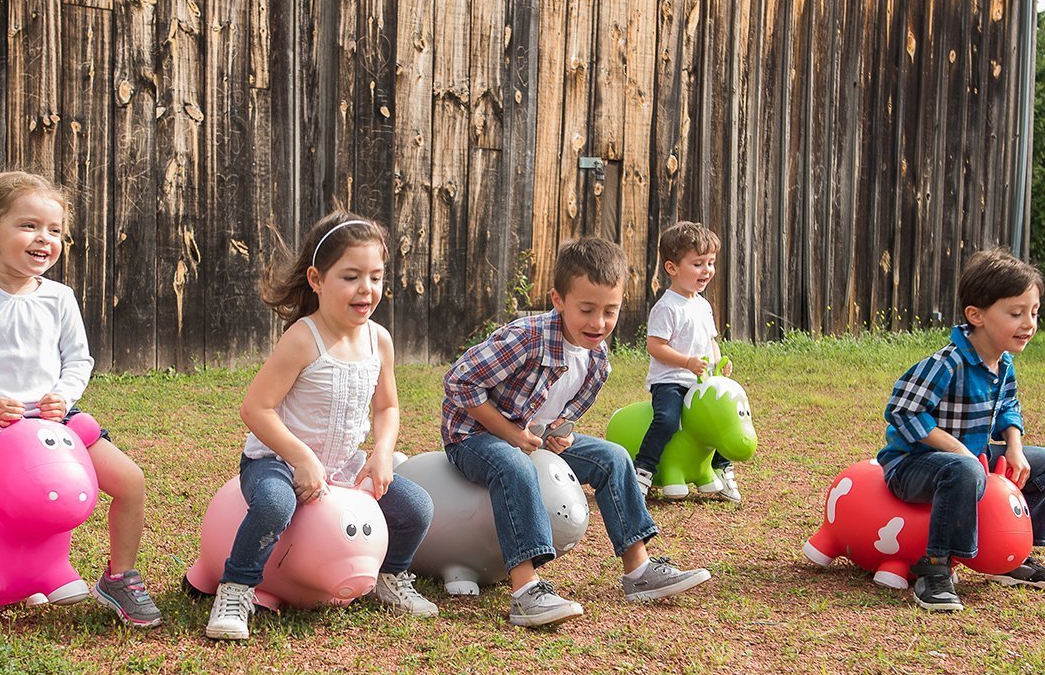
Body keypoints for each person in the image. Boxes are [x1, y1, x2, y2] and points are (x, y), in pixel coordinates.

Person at [0, 171, 160, 627]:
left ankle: (121, 577)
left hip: (55, 421)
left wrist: (62, 395)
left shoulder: (60, 298)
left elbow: (79, 359)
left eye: (55, 230)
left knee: (131, 479)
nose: (45, 238)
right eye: (30, 226)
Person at [442, 237, 711, 629]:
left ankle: (639, 570)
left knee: (614, 457)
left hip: (530, 438)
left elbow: (561, 414)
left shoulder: (598, 361)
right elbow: (458, 383)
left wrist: (557, 434)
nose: (598, 323)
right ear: (558, 299)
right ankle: (526, 591)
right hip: (473, 437)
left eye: (610, 311)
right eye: (586, 310)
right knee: (516, 467)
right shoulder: (525, 338)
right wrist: (511, 433)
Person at [204, 212, 437, 641]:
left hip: (344, 466)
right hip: (277, 460)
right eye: (351, 276)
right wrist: (300, 457)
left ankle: (391, 577)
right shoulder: (302, 339)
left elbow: (387, 407)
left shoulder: (378, 340)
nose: (365, 289)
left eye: (375, 276)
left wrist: (383, 451)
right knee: (275, 504)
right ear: (316, 279)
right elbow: (256, 408)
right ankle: (236, 588)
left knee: (416, 507)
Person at [879, 246, 1045, 611]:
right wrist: (955, 449)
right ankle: (935, 568)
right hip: (913, 465)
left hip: (971, 460)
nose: (1029, 323)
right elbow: (902, 411)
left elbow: (1009, 408)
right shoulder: (946, 364)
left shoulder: (1003, 365)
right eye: (1016, 313)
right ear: (977, 315)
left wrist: (1014, 445)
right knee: (966, 467)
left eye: (1034, 312)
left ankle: (1012, 557)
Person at [632, 221, 739, 503]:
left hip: (700, 382)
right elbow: (655, 346)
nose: (707, 271)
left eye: (711, 263)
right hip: (671, 382)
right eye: (698, 264)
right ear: (672, 268)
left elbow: (711, 341)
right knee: (667, 420)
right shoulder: (667, 307)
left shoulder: (703, 305)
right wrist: (687, 362)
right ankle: (643, 469)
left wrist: (719, 365)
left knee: (723, 418)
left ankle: (722, 468)